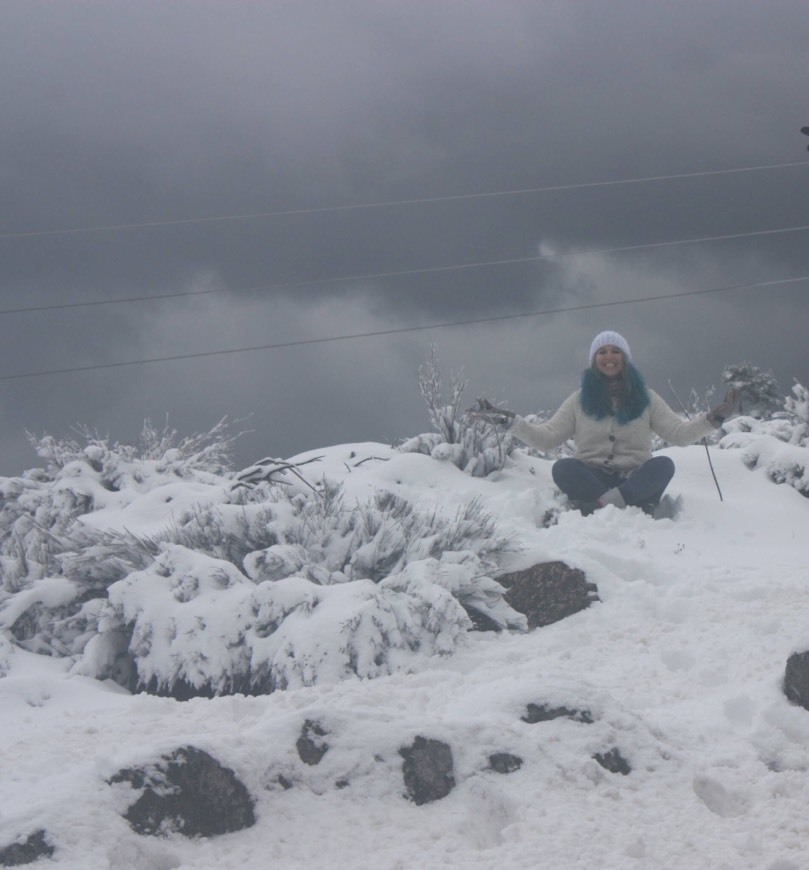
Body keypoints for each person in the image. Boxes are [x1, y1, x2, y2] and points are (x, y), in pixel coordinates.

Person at [469, 330, 738, 515]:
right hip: (592, 478)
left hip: (635, 481)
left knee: (663, 465)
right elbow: (547, 438)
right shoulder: (578, 400)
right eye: (602, 352)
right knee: (564, 467)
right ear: (594, 360)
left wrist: (713, 419)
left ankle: (600, 507)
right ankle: (616, 505)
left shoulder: (647, 398)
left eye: (615, 351)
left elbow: (679, 434)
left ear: (625, 359)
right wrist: (510, 422)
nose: (609, 357)